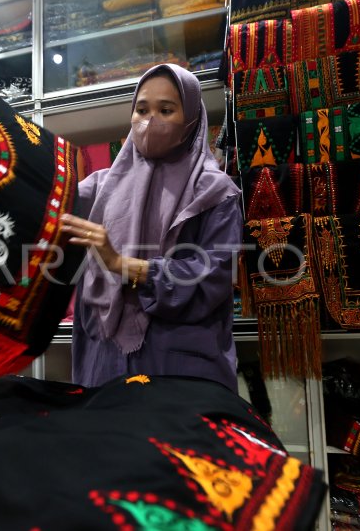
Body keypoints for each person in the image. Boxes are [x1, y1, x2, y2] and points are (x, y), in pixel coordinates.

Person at [60, 63, 243, 392]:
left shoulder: (214, 191)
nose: (150, 120)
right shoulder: (98, 189)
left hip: (179, 367)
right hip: (103, 362)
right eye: (141, 109)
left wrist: (121, 265)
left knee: (174, 444)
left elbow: (213, 277)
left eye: (166, 109)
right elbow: (46, 211)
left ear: (190, 120)